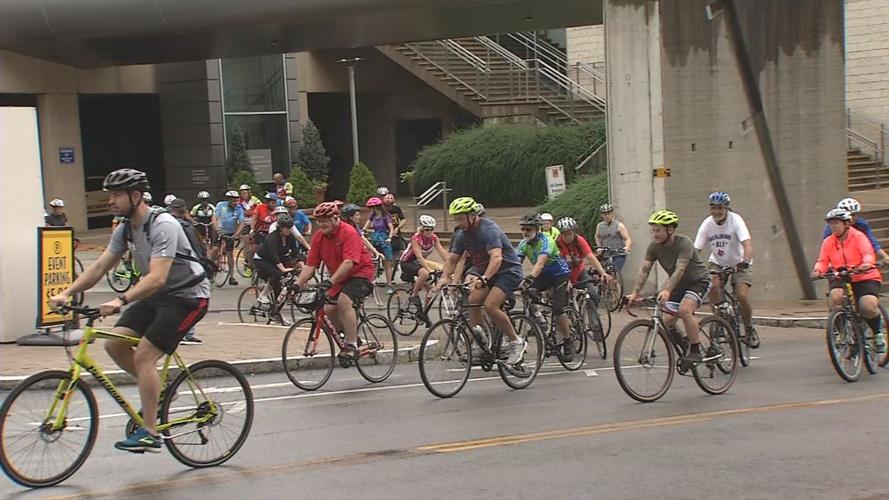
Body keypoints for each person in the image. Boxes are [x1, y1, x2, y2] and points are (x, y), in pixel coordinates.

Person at [50, 169, 209, 453]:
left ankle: (150, 433)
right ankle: (160, 391)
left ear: (136, 196)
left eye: (116, 195)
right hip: (157, 295)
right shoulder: (125, 228)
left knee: (144, 356)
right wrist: (66, 293)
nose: (110, 201)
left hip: (188, 297)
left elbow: (157, 277)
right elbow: (100, 267)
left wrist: (120, 300)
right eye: (109, 195)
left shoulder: (163, 225)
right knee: (114, 344)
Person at [433, 197, 527, 365]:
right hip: (485, 271)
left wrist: (484, 278)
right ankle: (481, 343)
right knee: (473, 302)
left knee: (490, 305)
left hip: (508, 271)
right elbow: (453, 260)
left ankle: (516, 341)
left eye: (460, 219)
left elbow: (496, 258)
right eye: (456, 219)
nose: (458, 223)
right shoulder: (462, 234)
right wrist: (444, 278)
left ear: (472, 216)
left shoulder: (489, 230)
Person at [626, 210, 711, 368]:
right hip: (678, 285)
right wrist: (635, 292)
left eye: (658, 230)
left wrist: (666, 290)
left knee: (685, 310)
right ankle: (685, 348)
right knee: (667, 321)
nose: (654, 234)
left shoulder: (684, 242)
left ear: (670, 230)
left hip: (698, 281)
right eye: (652, 230)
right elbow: (645, 269)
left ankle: (695, 351)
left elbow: (680, 269)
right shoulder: (654, 247)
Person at [294, 202, 376, 359]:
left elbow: (348, 262)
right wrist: (297, 284)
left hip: (361, 273)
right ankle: (351, 336)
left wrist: (330, 282)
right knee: (328, 309)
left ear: (335, 219)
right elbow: (310, 265)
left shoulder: (348, 232)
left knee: (344, 302)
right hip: (339, 277)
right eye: (319, 221)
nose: (321, 224)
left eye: (325, 220)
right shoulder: (319, 237)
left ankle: (351, 344)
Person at [812, 208, 886, 353]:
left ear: (846, 224)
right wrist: (817, 271)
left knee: (868, 306)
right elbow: (823, 260)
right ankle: (842, 332)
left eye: (836, 223)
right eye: (830, 224)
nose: (833, 226)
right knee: (836, 297)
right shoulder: (828, 242)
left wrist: (866, 264)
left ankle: (877, 333)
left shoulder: (859, 237)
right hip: (841, 275)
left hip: (864, 275)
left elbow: (868, 253)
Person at [693, 191, 759, 348]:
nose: (717, 211)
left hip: (739, 262)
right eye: (713, 208)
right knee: (713, 286)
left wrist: (745, 261)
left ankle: (749, 327)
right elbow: (696, 249)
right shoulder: (707, 224)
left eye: (720, 208)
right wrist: (690, 265)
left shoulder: (736, 220)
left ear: (726, 208)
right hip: (718, 262)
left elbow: (747, 244)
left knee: (741, 295)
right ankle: (719, 320)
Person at [516, 213, 574, 359]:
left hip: (559, 274)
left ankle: (568, 341)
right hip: (542, 275)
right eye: (523, 229)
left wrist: (529, 279)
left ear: (537, 229)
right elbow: (516, 264)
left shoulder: (547, 241)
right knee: (526, 292)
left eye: (528, 229)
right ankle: (539, 318)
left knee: (558, 308)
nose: (525, 232)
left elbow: (540, 263)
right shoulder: (523, 244)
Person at [254, 214, 304, 326]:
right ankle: (263, 295)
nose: (288, 230)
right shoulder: (272, 237)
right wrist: (283, 268)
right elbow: (273, 255)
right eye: (286, 227)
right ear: (280, 228)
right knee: (277, 274)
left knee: (279, 288)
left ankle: (277, 314)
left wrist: (300, 262)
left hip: (276, 259)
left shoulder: (290, 237)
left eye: (290, 227)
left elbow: (295, 252)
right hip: (262, 260)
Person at [400, 215, 449, 321]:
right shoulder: (416, 239)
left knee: (432, 289)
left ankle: (424, 313)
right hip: (407, 263)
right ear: (422, 229)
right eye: (427, 230)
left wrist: (450, 265)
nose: (429, 232)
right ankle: (414, 295)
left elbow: (442, 252)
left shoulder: (434, 238)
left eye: (432, 229)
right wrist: (429, 270)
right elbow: (419, 257)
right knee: (425, 273)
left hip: (418, 264)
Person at [169, 198, 204, 345]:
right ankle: (182, 332)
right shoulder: (180, 224)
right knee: (185, 300)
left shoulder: (181, 223)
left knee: (187, 299)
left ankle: (187, 333)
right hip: (184, 266)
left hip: (184, 265)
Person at [554, 216, 610, 300]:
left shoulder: (579, 240)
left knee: (593, 293)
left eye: (569, 234)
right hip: (563, 273)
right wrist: (566, 280)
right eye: (564, 234)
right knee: (562, 298)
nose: (567, 237)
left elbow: (590, 257)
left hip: (579, 271)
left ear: (574, 232)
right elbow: (557, 264)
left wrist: (602, 272)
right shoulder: (557, 243)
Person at [822, 197, 889, 262]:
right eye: (849, 215)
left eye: (854, 214)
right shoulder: (831, 227)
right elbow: (827, 248)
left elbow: (873, 242)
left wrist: (885, 256)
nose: (851, 217)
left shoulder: (862, 224)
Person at [363, 196, 396, 292]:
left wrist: (389, 238)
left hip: (384, 240)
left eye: (372, 207)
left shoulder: (385, 216)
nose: (371, 209)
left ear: (377, 207)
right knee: (374, 262)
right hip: (375, 239)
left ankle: (389, 284)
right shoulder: (372, 216)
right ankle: (372, 283)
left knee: (387, 264)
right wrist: (363, 231)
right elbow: (366, 226)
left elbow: (391, 228)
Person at [212, 190, 245, 286]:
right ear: (228, 200)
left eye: (237, 201)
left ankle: (231, 277)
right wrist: (217, 229)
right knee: (215, 249)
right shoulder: (221, 205)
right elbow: (214, 218)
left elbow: (241, 223)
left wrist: (236, 235)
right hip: (219, 230)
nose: (235, 203)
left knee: (229, 254)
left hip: (230, 233)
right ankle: (210, 270)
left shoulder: (239, 208)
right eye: (233, 201)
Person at [595, 203, 632, 273]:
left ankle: (616, 278)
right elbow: (597, 236)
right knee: (606, 273)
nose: (607, 216)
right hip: (606, 254)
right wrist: (599, 247)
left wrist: (627, 247)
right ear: (602, 215)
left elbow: (627, 238)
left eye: (609, 214)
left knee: (614, 270)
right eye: (605, 214)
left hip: (618, 254)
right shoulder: (600, 226)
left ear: (612, 214)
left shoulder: (619, 225)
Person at [238, 184, 262, 277]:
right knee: (247, 244)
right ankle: (247, 262)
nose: (244, 195)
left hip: (254, 224)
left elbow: (260, 209)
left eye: (245, 193)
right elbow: (241, 212)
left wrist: (249, 212)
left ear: (249, 192)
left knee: (256, 245)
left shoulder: (255, 199)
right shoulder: (239, 202)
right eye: (242, 193)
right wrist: (250, 212)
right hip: (244, 224)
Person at [382, 193, 407, 259]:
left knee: (398, 252)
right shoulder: (381, 209)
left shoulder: (397, 209)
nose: (388, 200)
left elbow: (403, 220)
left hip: (396, 234)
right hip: (384, 234)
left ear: (394, 200)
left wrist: (398, 228)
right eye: (387, 198)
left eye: (391, 198)